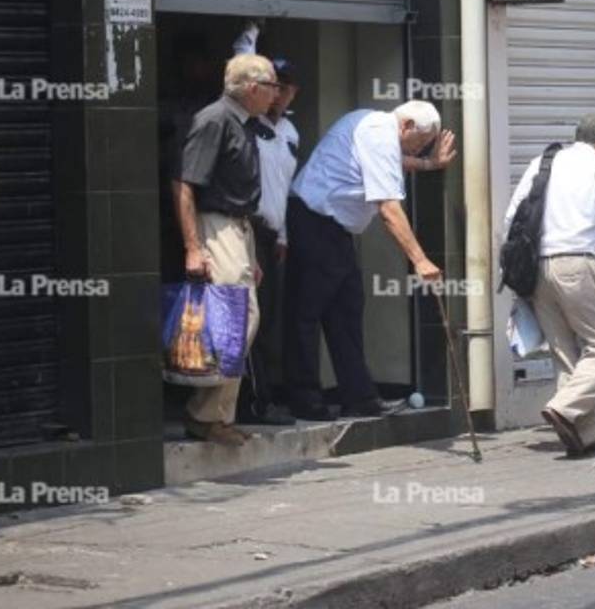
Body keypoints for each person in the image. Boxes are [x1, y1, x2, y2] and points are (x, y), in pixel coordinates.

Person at [283, 100, 456, 421]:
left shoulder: (375, 126)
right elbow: (388, 208)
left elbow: (396, 161)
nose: (419, 150)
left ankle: (359, 396)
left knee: (346, 311)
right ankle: (303, 399)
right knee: (305, 314)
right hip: (314, 222)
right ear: (405, 126)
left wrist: (430, 164)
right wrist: (420, 260)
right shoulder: (379, 134)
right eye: (420, 143)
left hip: (332, 230)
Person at [504, 114, 595, 457]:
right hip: (580, 265)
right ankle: (564, 406)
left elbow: (510, 219)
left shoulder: (542, 163)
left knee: (566, 354)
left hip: (538, 269)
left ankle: (582, 437)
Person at [173, 53, 280, 446]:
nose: (276, 94)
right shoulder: (215, 120)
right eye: (272, 86)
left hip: (238, 227)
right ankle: (205, 414)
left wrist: (249, 256)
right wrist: (193, 247)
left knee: (240, 318)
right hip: (216, 224)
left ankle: (212, 415)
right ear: (252, 88)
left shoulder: (244, 123)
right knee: (238, 318)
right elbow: (185, 184)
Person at [236, 54, 300, 426]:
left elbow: (283, 188)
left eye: (284, 88)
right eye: (272, 87)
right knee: (250, 319)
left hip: (273, 235)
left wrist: (284, 235)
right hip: (247, 231)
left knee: (268, 320)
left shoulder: (290, 133)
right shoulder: (245, 126)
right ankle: (252, 403)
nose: (277, 96)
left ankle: (262, 398)